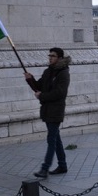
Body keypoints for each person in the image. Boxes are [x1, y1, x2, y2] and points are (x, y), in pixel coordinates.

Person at [25, 47, 71, 178]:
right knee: (56, 139)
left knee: (51, 139)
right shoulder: (48, 72)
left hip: (56, 110)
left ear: (60, 58)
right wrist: (30, 79)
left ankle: (45, 168)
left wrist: (42, 96)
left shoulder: (63, 73)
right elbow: (39, 87)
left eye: (53, 56)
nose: (50, 57)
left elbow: (60, 93)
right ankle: (62, 165)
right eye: (49, 55)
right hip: (47, 110)